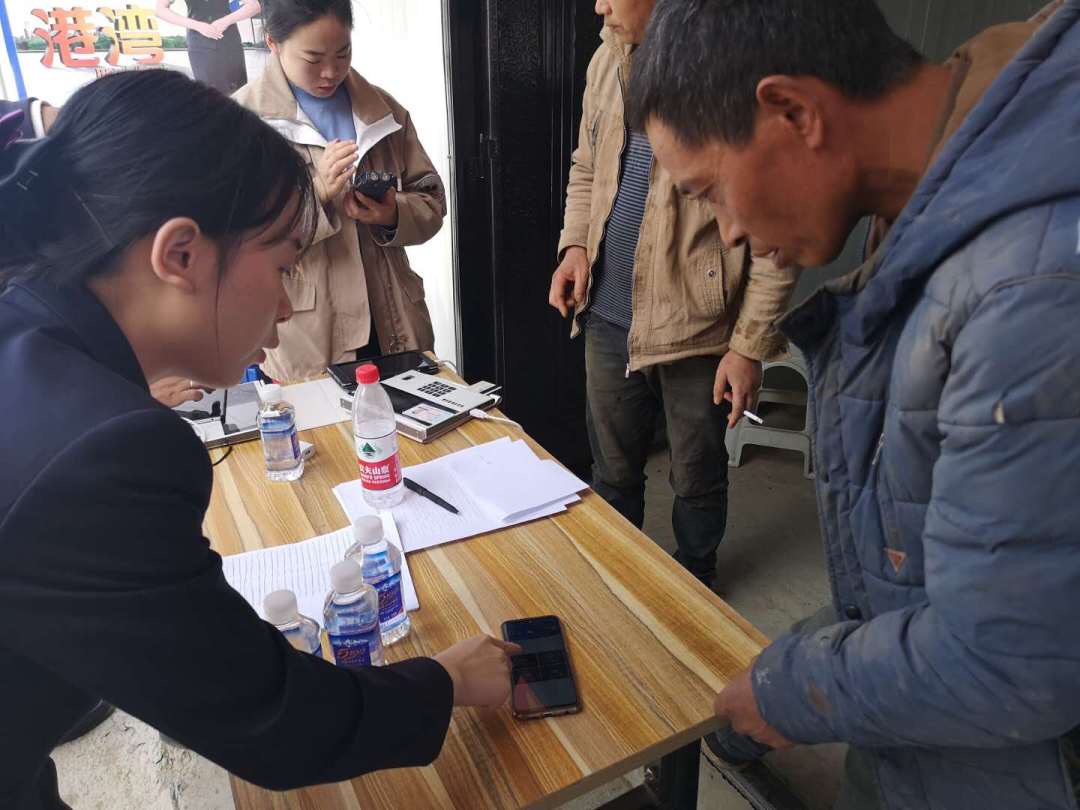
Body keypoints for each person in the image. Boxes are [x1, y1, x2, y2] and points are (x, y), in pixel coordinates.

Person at [0, 70, 517, 810]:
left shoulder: (31, 330)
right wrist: (444, 680)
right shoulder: (103, 453)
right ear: (180, 256)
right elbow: (270, 718)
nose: (282, 306)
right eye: (281, 267)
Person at [629, 0, 1080, 807]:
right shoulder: (926, 198)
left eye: (712, 190)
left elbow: (1006, 663)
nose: (727, 233)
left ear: (794, 112)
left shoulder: (1029, 289)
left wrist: (789, 690)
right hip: (923, 745)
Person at [549, 0, 796, 587]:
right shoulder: (606, 60)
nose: (598, 6)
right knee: (612, 472)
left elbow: (777, 233)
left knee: (697, 476)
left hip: (698, 325)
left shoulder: (740, 77)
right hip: (607, 311)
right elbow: (586, 166)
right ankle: (619, 583)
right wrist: (575, 245)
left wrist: (748, 345)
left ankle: (695, 585)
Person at [234, 0, 446, 382]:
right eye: (313, 59)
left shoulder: (383, 111)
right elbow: (238, 242)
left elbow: (431, 200)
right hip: (310, 334)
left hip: (393, 322)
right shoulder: (242, 122)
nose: (330, 72)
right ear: (273, 43)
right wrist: (315, 193)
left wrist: (392, 213)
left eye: (343, 53)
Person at [155, 0, 262, 95]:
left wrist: (226, 20)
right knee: (208, 91)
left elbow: (255, 5)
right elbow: (160, 9)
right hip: (199, 41)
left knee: (237, 90)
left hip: (228, 37)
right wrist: (197, 25)